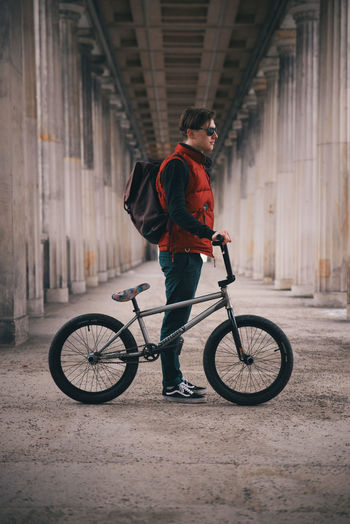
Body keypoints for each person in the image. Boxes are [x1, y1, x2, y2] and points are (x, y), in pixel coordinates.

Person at [155, 107, 231, 403]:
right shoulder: (177, 164)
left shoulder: (195, 164)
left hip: (190, 250)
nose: (215, 135)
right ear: (191, 132)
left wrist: (208, 234)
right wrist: (208, 233)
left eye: (215, 129)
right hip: (180, 251)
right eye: (209, 130)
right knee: (175, 319)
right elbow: (176, 212)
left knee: (179, 318)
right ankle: (171, 383)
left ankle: (174, 378)